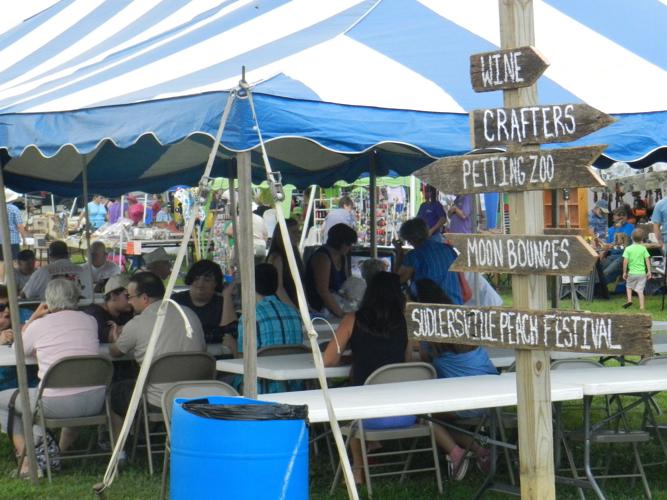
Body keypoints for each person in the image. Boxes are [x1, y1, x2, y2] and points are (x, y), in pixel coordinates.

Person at [0, 279, 105, 477]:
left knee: (5, 401)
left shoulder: (40, 325)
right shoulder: (90, 320)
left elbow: (18, 350)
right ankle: (59, 454)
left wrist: (32, 321)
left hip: (54, 405)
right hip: (96, 400)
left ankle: (28, 461)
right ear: (76, 298)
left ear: (47, 301)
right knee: (71, 386)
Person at [323, 272, 412, 484]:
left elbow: (327, 359)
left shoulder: (353, 319)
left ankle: (358, 468)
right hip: (405, 412)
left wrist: (353, 356)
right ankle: (374, 446)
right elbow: (407, 361)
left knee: (347, 400)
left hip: (364, 414)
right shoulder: (406, 323)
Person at [414, 278, 496, 477]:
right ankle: (480, 450)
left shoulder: (430, 339)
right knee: (440, 414)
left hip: (466, 404)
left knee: (426, 416)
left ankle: (456, 452)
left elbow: (422, 363)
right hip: (494, 403)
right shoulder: (466, 324)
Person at [108, 272, 205, 439]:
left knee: (115, 391)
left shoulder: (137, 323)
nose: (129, 302)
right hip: (196, 394)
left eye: (130, 297)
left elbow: (115, 352)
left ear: (144, 297)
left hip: (157, 400)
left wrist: (116, 338)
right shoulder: (189, 314)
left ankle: (121, 449)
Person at [235, 263, 303, 357]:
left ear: (251, 284)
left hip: (262, 370)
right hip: (292, 369)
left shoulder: (249, 317)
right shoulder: (294, 313)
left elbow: (243, 359)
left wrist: (231, 345)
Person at [394, 218, 462, 304]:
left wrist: (399, 252)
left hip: (430, 309)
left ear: (409, 239)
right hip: (456, 305)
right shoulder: (448, 249)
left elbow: (397, 280)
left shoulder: (413, 256)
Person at [172, 260, 236, 343]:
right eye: (196, 278)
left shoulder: (223, 303)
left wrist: (227, 295)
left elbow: (230, 333)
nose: (200, 284)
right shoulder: (175, 301)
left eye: (207, 280)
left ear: (216, 283)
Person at [305, 223, 358, 318]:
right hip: (321, 309)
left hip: (337, 304)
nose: (350, 248)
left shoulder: (342, 257)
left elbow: (344, 284)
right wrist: (341, 314)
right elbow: (323, 291)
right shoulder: (322, 257)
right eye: (348, 244)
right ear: (339, 242)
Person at [22, 241, 93, 301]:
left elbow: (26, 295)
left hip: (51, 313)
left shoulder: (42, 272)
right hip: (82, 312)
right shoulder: (84, 271)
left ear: (50, 256)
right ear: (68, 255)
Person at [0, 285, 35, 391]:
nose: (7, 310)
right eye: (1, 307)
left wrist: (22, 331)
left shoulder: (25, 315)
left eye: (9, 305)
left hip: (30, 385)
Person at [266, 218, 305, 309]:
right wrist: (294, 310)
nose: (298, 236)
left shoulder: (295, 255)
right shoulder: (277, 257)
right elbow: (278, 289)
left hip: (295, 304)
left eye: (298, 232)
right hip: (282, 307)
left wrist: (307, 306)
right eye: (294, 232)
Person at [82, 275, 134, 343]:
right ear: (113, 296)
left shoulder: (127, 312)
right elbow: (109, 337)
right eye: (128, 296)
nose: (132, 300)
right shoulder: (94, 314)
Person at [600, 207, 635, 286]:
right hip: (612, 255)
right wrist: (603, 252)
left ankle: (599, 288)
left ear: (627, 217)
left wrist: (618, 227)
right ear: (613, 218)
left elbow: (624, 241)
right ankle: (596, 288)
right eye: (618, 215)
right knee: (599, 269)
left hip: (624, 256)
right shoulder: (610, 230)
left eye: (624, 215)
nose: (621, 217)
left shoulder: (630, 227)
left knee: (607, 272)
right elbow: (606, 245)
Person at [0, 190, 29, 283]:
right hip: (12, 239)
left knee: (3, 261)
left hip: (0, 239)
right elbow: (19, 226)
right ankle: (15, 281)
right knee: (15, 261)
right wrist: (24, 238)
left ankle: (2, 281)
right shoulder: (14, 209)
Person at [622, 229, 651, 310]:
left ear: (631, 237)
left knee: (628, 286)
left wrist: (624, 272)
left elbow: (625, 261)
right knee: (640, 290)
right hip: (642, 274)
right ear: (642, 239)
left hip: (632, 273)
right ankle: (642, 307)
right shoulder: (643, 248)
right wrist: (649, 271)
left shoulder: (628, 249)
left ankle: (629, 300)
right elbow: (647, 260)